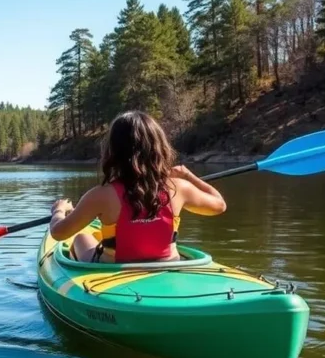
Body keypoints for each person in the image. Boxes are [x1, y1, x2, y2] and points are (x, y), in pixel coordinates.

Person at [48, 111, 227, 263]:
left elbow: (58, 233)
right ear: (159, 149)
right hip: (166, 264)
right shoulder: (179, 188)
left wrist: (59, 210)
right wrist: (188, 176)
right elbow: (219, 205)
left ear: (113, 152)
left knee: (81, 238)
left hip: (114, 266)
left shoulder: (99, 196)